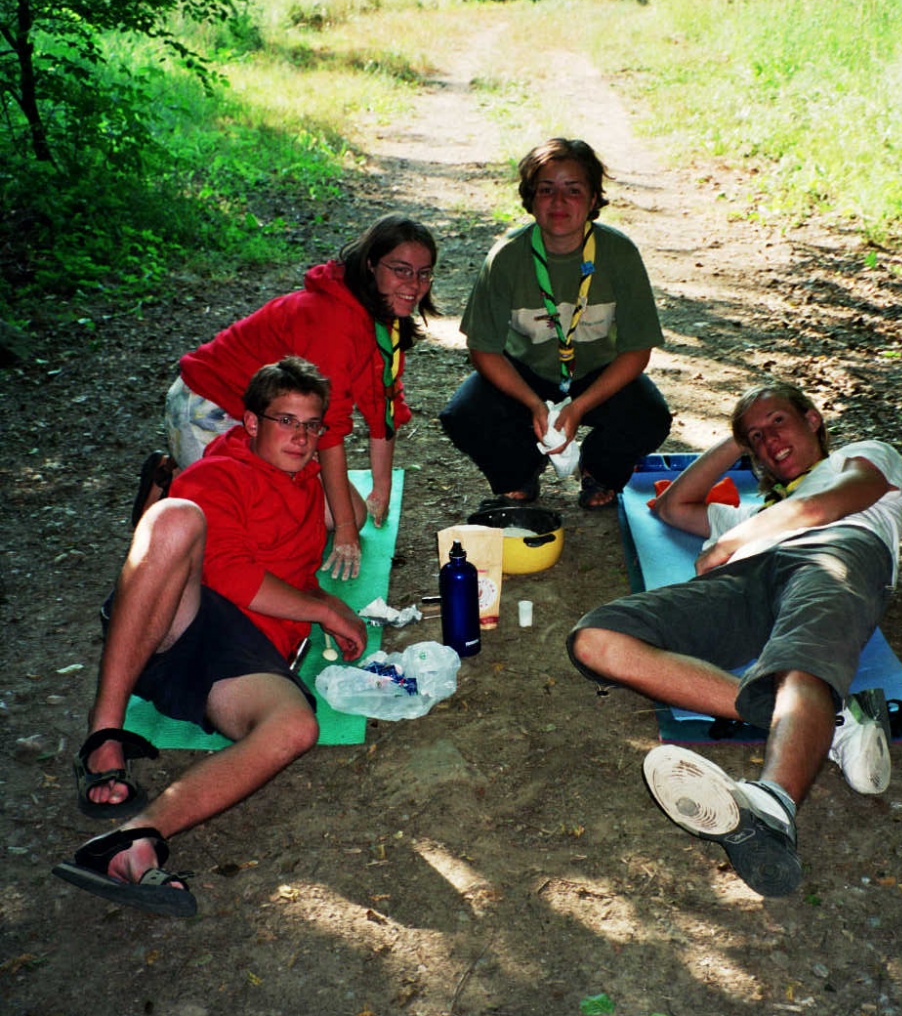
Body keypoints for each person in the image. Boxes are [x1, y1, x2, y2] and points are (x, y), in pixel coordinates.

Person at [567, 380, 902, 898]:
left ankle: (771, 808)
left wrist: (734, 539)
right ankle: (834, 724)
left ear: (813, 419)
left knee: (801, 659)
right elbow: (671, 506)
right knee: (596, 639)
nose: (770, 438)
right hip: (742, 581)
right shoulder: (749, 513)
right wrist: (737, 440)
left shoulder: (862, 458)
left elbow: (837, 501)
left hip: (834, 554)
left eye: (778, 421)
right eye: (757, 436)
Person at [53, 357, 367, 918]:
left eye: (311, 425)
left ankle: (131, 842)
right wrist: (326, 608)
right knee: (176, 517)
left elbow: (358, 513)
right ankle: (103, 737)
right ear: (250, 423)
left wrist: (330, 487)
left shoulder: (306, 476)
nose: (300, 436)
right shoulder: (217, 475)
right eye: (285, 421)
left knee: (296, 727)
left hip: (235, 654)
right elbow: (230, 575)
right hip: (176, 620)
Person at [145, 215, 438, 579]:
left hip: (272, 418)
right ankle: (169, 486)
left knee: (351, 512)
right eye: (402, 270)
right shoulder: (335, 321)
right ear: (370, 265)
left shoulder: (381, 314)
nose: (414, 285)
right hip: (209, 405)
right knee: (255, 532)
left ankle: (181, 475)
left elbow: (383, 401)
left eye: (424, 274)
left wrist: (381, 489)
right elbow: (328, 431)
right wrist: (345, 533)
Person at [440, 138, 672, 509]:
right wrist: (533, 404)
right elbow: (484, 348)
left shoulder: (619, 254)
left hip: (596, 372)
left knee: (650, 416)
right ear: (530, 198)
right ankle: (519, 474)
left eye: (573, 190)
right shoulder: (506, 257)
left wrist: (578, 408)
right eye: (546, 190)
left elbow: (636, 350)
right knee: (464, 414)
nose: (559, 202)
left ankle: (598, 470)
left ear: (594, 199)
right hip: (527, 373)